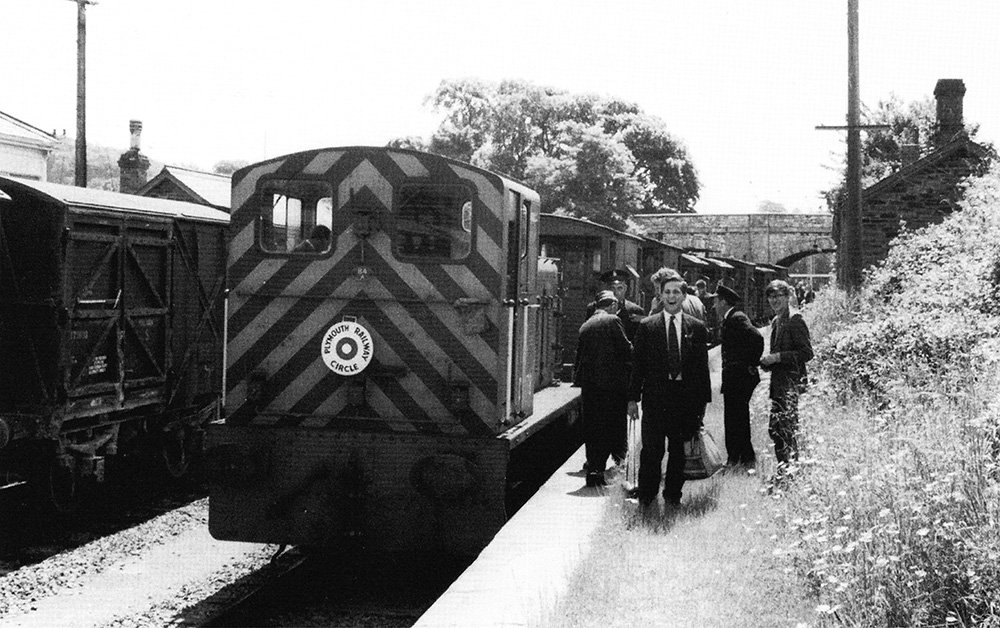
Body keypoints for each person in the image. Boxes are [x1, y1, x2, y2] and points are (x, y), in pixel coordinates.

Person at [627, 268, 711, 507]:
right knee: (651, 452)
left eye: (676, 292)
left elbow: (701, 369)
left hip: (684, 401)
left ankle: (673, 496)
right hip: (655, 399)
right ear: (661, 296)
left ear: (683, 296)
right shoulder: (647, 327)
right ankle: (647, 496)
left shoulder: (696, 328)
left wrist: (702, 405)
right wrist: (632, 399)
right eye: (667, 292)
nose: (672, 296)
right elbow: (638, 366)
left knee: (678, 452)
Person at [574, 290, 634, 487]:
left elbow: (579, 360)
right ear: (613, 305)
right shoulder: (613, 321)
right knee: (616, 425)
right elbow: (627, 351)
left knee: (593, 428)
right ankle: (619, 464)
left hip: (591, 389)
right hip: (613, 388)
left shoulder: (585, 326)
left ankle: (594, 471)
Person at [585, 268, 645, 464]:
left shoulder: (635, 312)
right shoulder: (593, 309)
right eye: (612, 288)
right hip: (599, 373)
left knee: (618, 419)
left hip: (622, 375)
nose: (617, 292)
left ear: (626, 289)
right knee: (596, 419)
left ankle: (619, 455)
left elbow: (637, 345)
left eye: (620, 288)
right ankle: (596, 458)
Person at [759, 279, 813, 477]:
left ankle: (791, 471)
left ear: (788, 297)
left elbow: (807, 353)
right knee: (776, 429)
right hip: (778, 382)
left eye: (778, 296)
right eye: (771, 297)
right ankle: (786, 469)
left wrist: (778, 357)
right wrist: (768, 363)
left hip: (790, 384)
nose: (774, 301)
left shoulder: (795, 319)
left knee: (786, 429)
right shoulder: (776, 320)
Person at [713, 284, 764, 469]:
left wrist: (751, 363)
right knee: (735, 419)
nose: (714, 306)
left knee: (736, 419)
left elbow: (757, 338)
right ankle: (741, 457)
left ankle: (738, 458)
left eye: (716, 301)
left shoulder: (737, 318)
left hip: (739, 378)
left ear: (724, 302)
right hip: (735, 378)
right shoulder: (732, 318)